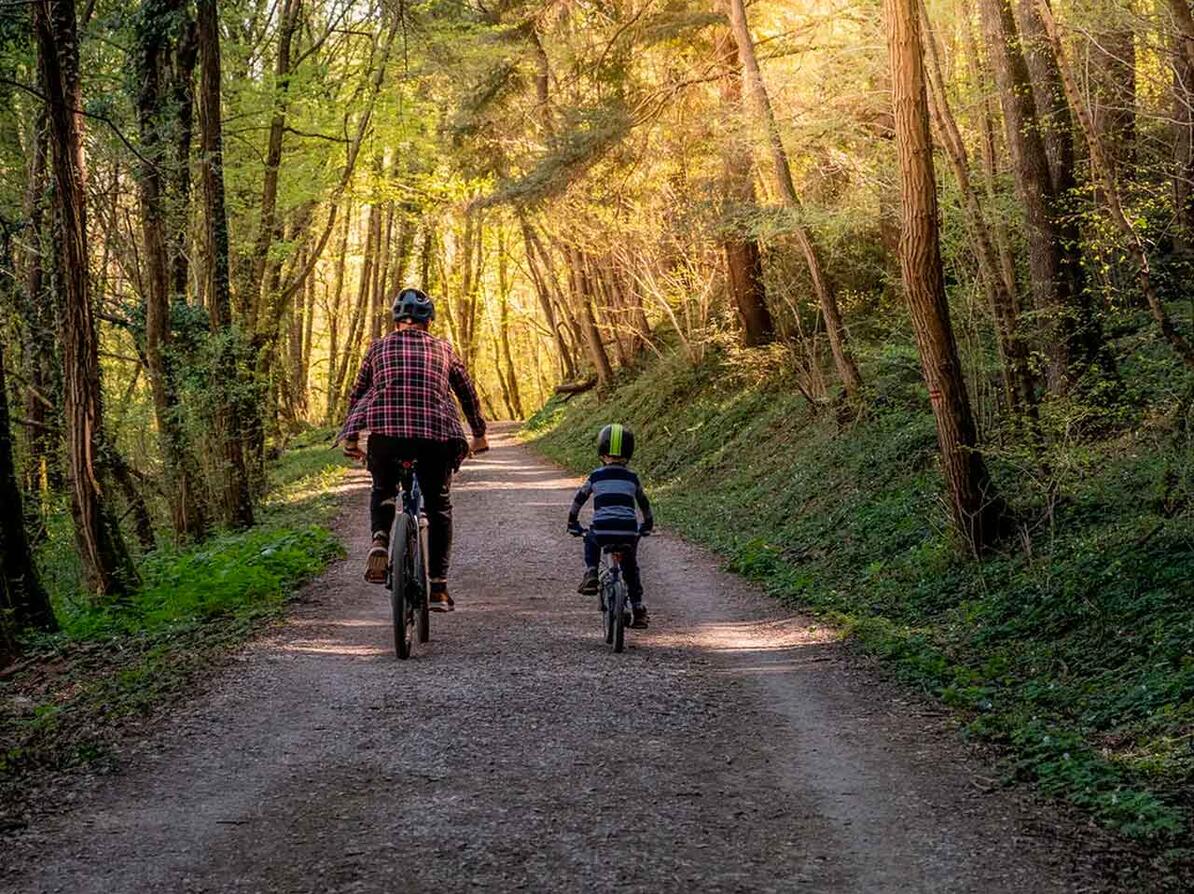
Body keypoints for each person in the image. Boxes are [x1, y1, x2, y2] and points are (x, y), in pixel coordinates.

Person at [339, 287, 488, 612]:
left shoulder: (377, 349)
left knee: (382, 487)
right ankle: (438, 589)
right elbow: (467, 394)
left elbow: (358, 394)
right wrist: (478, 434)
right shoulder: (444, 349)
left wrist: (351, 438)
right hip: (435, 437)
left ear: (396, 321)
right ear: (428, 322)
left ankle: (380, 538)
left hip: (386, 436)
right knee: (438, 507)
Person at [566, 423, 654, 628]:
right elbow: (644, 504)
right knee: (630, 568)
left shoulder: (596, 476)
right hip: (628, 532)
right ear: (629, 452)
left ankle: (591, 572)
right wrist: (647, 525)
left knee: (590, 538)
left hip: (603, 530)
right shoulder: (632, 478)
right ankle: (639, 609)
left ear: (601, 452)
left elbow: (579, 500)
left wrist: (573, 523)